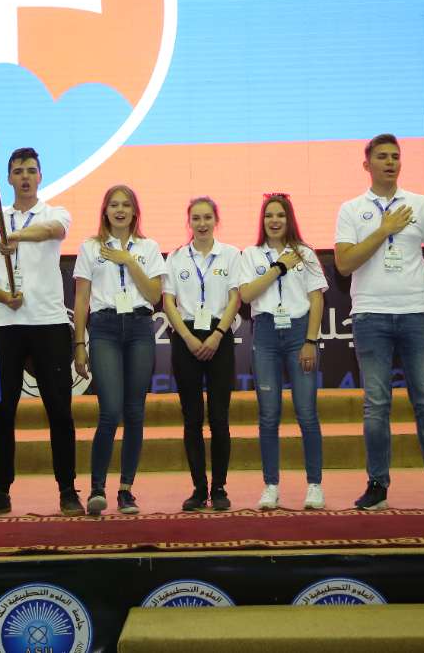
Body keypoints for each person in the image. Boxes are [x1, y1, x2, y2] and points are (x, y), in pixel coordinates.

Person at [334, 134, 424, 511]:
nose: (390, 162)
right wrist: (384, 229)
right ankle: (377, 485)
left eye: (395, 156)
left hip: (415, 313)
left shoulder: (421, 204)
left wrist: (410, 277)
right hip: (370, 315)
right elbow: (344, 264)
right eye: (382, 156)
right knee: (376, 404)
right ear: (367, 165)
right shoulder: (351, 209)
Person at [0, 147, 84, 518]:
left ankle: (68, 490)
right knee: (3, 413)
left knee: (59, 411)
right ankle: (0, 491)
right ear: (8, 178)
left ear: (40, 176)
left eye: (31, 170)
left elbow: (54, 231)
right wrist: (4, 296)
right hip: (5, 323)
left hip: (49, 323)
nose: (25, 176)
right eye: (18, 171)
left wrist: (18, 236)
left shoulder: (55, 213)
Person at [73, 185, 167, 515]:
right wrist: (79, 344)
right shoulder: (90, 247)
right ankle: (97, 489)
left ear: (135, 211)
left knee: (135, 412)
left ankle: (126, 490)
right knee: (110, 411)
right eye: (114, 205)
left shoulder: (148, 247)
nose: (120, 210)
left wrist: (129, 261)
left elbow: (154, 295)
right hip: (105, 328)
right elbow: (82, 299)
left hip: (140, 328)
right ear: (105, 211)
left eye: (126, 205)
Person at [237, 193, 328, 510]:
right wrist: (277, 268)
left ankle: (314, 485)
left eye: (280, 215)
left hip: (299, 334)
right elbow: (246, 294)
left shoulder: (305, 253)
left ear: (289, 219)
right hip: (265, 334)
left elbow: (316, 299)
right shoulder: (250, 254)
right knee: (268, 414)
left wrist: (310, 341)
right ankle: (271, 486)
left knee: (306, 412)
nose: (274, 221)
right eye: (268, 215)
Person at [163, 197, 241, 511]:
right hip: (186, 338)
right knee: (192, 418)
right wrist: (187, 338)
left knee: (219, 418)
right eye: (196, 218)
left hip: (219, 337)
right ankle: (198, 489)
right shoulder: (176, 257)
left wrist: (218, 335)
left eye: (207, 217)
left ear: (216, 220)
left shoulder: (231, 254)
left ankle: (219, 488)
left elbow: (235, 298)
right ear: (189, 222)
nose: (202, 223)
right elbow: (168, 302)